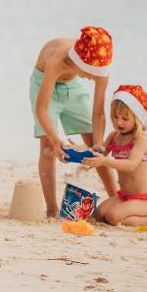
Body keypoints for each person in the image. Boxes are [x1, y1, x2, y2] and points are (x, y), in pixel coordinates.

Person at [30, 26, 118, 217]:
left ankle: (116, 198)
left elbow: (98, 113)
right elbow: (41, 108)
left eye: (96, 73)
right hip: (44, 84)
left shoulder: (101, 69)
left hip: (73, 86)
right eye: (89, 72)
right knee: (47, 148)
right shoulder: (57, 59)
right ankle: (52, 210)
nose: (92, 78)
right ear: (79, 62)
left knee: (96, 147)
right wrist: (56, 140)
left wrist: (99, 143)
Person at [82, 85, 147, 226]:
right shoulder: (114, 136)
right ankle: (129, 214)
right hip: (125, 196)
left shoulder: (141, 139)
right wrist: (80, 152)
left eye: (125, 118)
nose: (119, 122)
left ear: (137, 118)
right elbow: (99, 154)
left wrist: (105, 161)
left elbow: (131, 165)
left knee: (112, 217)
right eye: (115, 117)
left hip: (142, 200)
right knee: (99, 214)